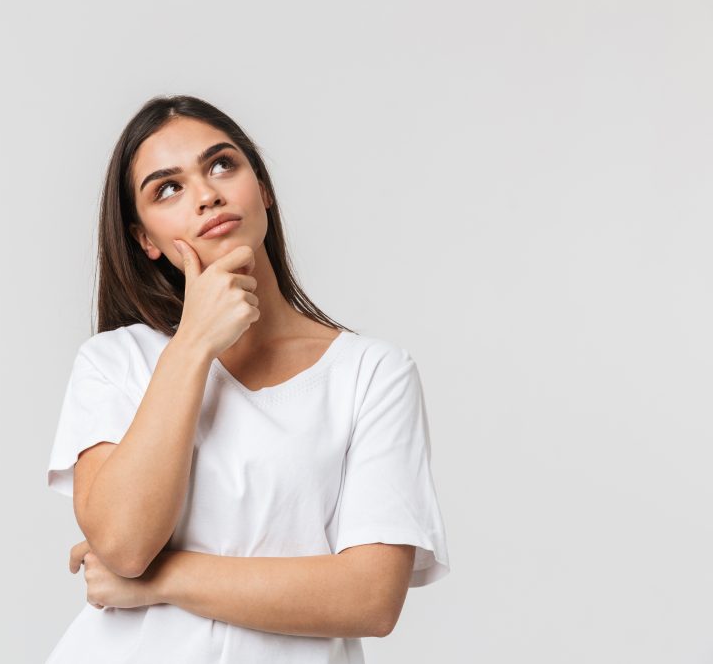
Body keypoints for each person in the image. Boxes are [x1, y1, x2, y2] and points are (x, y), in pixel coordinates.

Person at [44, 94, 450, 663]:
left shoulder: (371, 374)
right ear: (145, 240)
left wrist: (161, 582)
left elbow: (371, 597)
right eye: (168, 187)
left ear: (262, 189)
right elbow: (125, 544)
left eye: (220, 165)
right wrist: (193, 345)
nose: (206, 194)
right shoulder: (116, 362)